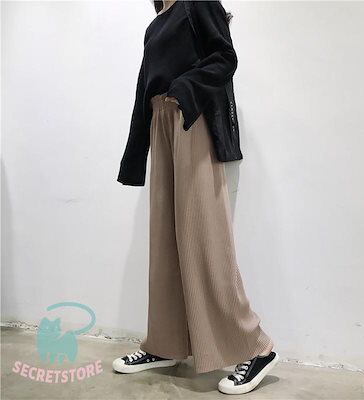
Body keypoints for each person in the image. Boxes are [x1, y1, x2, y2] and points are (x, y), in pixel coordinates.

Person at [113, 0, 279, 395]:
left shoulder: (197, 2)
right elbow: (142, 89)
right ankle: (165, 344)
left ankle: (256, 347)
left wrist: (184, 90)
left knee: (204, 237)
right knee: (165, 244)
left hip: (189, 120)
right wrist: (135, 156)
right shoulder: (156, 25)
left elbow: (225, 57)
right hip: (161, 123)